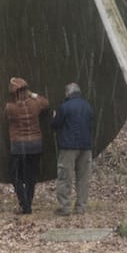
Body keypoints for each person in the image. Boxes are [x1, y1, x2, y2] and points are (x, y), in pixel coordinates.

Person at [5, 76, 50, 214]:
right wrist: (33, 95)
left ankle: (24, 203)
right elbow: (46, 103)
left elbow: (6, 116)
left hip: (19, 146)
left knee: (15, 176)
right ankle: (28, 203)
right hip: (35, 145)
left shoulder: (10, 108)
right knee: (31, 177)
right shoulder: (35, 104)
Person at [51, 82, 94, 215]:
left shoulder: (64, 107)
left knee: (65, 177)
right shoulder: (88, 106)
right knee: (83, 179)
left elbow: (55, 125)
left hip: (68, 147)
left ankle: (65, 207)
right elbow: (91, 125)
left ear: (68, 93)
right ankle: (81, 207)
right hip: (86, 147)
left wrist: (54, 116)